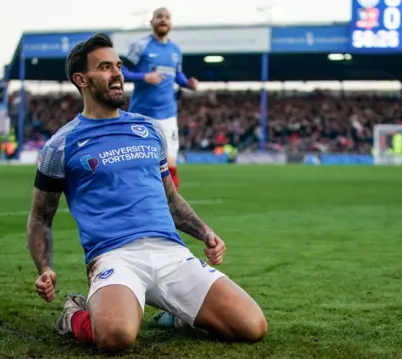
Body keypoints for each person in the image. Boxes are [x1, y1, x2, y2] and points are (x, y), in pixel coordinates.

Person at [27, 33, 266, 353]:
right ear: (81, 79)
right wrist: (44, 268)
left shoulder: (148, 130)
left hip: (172, 254)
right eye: (105, 67)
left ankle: (182, 312)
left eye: (119, 66)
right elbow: (40, 217)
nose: (117, 74)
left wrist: (205, 232)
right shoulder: (61, 145)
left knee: (252, 326)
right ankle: (74, 314)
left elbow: (170, 199)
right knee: (115, 337)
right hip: (114, 257)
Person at [121, 7, 198, 192]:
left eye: (167, 17)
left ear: (171, 23)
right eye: (159, 17)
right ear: (152, 22)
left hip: (168, 115)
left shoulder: (175, 50)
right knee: (139, 163)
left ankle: (172, 208)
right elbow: (122, 71)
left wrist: (188, 83)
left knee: (170, 163)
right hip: (142, 116)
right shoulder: (141, 46)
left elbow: (177, 75)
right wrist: (144, 77)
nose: (163, 20)